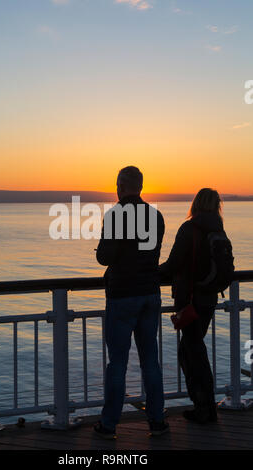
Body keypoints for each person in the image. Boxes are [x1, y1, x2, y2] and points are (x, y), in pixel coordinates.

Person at [94, 166, 168, 439]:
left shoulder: (115, 216)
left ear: (121, 186)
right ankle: (157, 421)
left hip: (122, 294)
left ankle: (109, 424)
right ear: (141, 186)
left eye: (117, 184)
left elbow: (104, 256)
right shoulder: (156, 216)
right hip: (150, 292)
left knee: (117, 363)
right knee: (151, 360)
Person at [159, 188, 227, 424]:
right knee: (191, 349)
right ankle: (204, 405)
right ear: (217, 206)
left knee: (193, 352)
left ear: (195, 203)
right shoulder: (217, 229)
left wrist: (154, 271)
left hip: (189, 300)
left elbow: (174, 262)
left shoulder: (190, 228)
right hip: (208, 299)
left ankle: (205, 409)